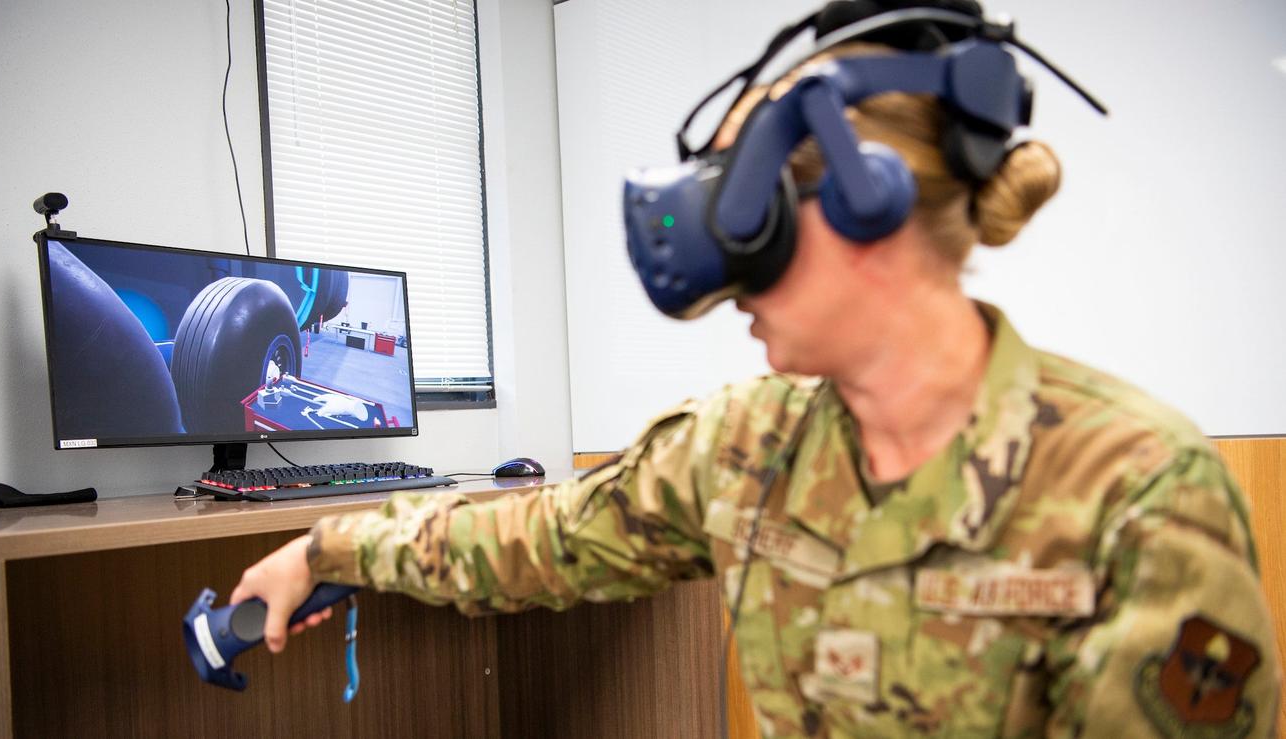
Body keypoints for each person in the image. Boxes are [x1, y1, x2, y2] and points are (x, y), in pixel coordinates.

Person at [230, 2, 1281, 736]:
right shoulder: (741, 448)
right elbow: (533, 538)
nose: (726, 272)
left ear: (863, 206)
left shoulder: (1134, 492)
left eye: (749, 207)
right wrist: (322, 548)